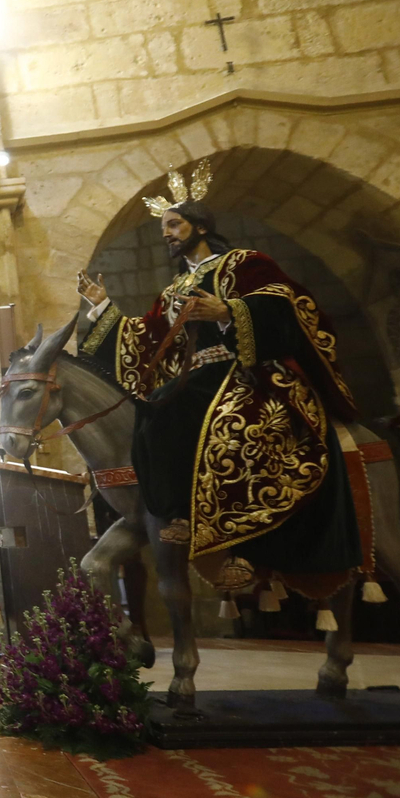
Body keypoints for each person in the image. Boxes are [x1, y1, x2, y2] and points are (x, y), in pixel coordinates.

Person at [78, 191, 361, 584]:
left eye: (174, 225)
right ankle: (180, 514)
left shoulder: (245, 264)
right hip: (194, 380)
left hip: (247, 372)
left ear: (202, 226)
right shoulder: (176, 289)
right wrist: (102, 308)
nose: (169, 236)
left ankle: (247, 549)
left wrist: (230, 311)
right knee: (154, 412)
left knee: (236, 428)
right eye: (164, 230)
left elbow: (288, 304)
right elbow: (145, 339)